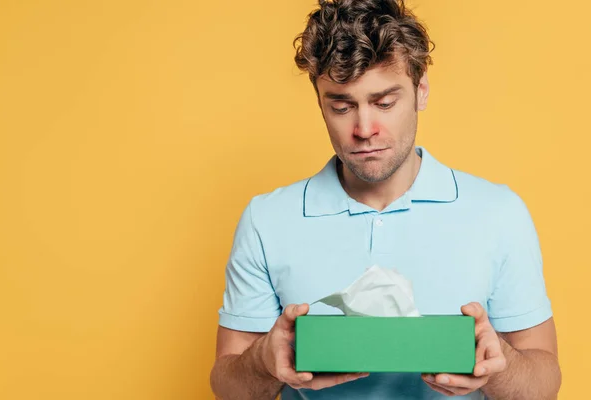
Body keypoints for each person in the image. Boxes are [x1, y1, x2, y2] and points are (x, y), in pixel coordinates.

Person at [209, 0, 561, 399]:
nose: (364, 129)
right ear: (320, 103)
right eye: (341, 106)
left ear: (421, 91)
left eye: (385, 103)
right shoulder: (267, 219)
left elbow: (543, 383)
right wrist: (261, 362)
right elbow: (229, 387)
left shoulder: (499, 213)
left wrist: (502, 366)